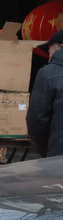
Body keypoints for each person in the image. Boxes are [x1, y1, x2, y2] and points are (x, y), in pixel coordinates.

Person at [27, 29, 63, 158]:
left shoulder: (48, 73)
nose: (49, 55)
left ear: (60, 47)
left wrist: (46, 150)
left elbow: (37, 119)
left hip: (58, 157)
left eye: (49, 51)